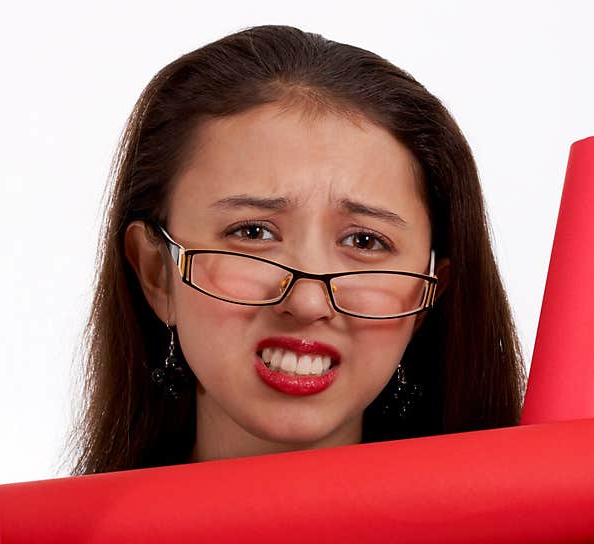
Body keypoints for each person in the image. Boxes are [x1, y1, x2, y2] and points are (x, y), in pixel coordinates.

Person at [63, 24, 526, 475]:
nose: (306, 303)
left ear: (427, 299)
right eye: (253, 233)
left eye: (364, 241)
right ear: (156, 272)